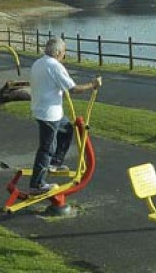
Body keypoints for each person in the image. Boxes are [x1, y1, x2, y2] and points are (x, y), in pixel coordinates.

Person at [29, 37, 102, 194]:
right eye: (63, 52)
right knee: (47, 147)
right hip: (49, 113)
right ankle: (37, 184)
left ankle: (55, 163)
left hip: (42, 110)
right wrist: (92, 84)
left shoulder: (38, 63)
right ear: (57, 52)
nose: (64, 55)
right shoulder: (55, 66)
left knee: (67, 129)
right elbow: (73, 89)